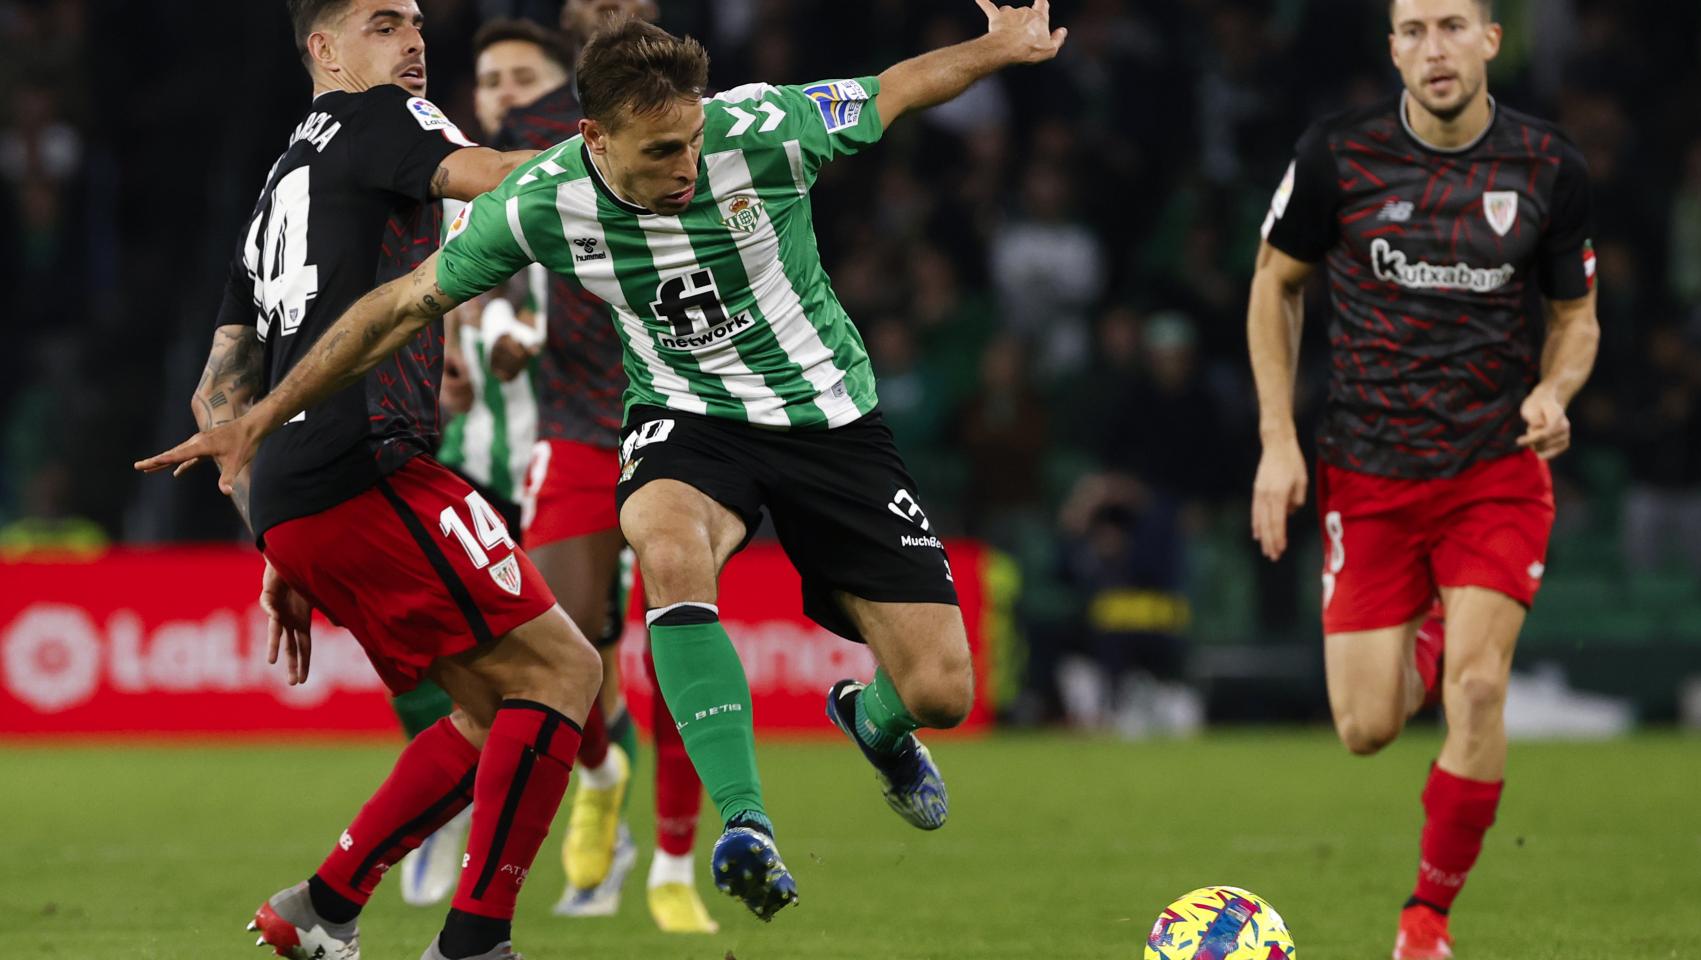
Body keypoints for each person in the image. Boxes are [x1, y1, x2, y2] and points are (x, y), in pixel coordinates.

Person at [138, 2, 1067, 923]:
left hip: (829, 419)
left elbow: (896, 89)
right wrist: (263, 415)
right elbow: (399, 307)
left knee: (941, 692)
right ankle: (742, 826)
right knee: (662, 545)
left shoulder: (766, 127)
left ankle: (873, 721)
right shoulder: (544, 199)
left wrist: (1000, 46)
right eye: (659, 151)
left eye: (692, 141)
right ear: (594, 137)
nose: (685, 167)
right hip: (684, 416)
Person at [145, 2, 605, 958]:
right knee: (566, 671)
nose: (414, 42)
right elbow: (498, 180)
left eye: (417, 25)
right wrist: (616, 159)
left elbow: (217, 393)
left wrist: (274, 533)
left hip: (305, 494)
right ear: (325, 49)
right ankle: (474, 942)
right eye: (384, 23)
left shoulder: (281, 180)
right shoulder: (387, 118)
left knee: (492, 710)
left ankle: (323, 906)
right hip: (369, 462)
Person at [1246, 1, 1600, 957]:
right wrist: (1279, 443)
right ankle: (1440, 629)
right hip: (1367, 474)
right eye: (1412, 31)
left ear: (1492, 39)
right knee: (1366, 727)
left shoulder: (1548, 165)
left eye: (1452, 26)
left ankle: (1424, 923)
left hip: (1495, 469)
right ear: (1391, 47)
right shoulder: (1337, 156)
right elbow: (1275, 283)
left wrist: (1556, 390)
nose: (1432, 49)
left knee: (1480, 694)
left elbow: (1576, 314)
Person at [427, 12, 721, 932]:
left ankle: (674, 864)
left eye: (523, 78)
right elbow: (504, 267)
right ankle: (599, 771)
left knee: (677, 644)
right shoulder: (523, 153)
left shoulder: (689, 127)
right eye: (494, 78)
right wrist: (495, 330)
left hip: (685, 416)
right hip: (578, 420)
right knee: (557, 652)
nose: (507, 94)